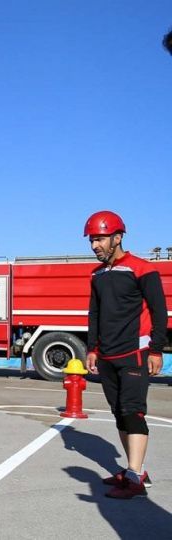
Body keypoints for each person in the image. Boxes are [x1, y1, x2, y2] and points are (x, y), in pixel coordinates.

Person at [83, 210, 167, 499]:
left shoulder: (142, 269)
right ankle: (136, 470)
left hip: (135, 353)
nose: (95, 245)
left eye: (101, 239)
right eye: (93, 240)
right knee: (119, 413)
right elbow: (94, 314)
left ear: (117, 238)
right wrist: (92, 349)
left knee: (133, 412)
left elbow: (160, 312)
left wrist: (156, 349)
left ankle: (134, 480)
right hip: (106, 355)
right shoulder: (98, 275)